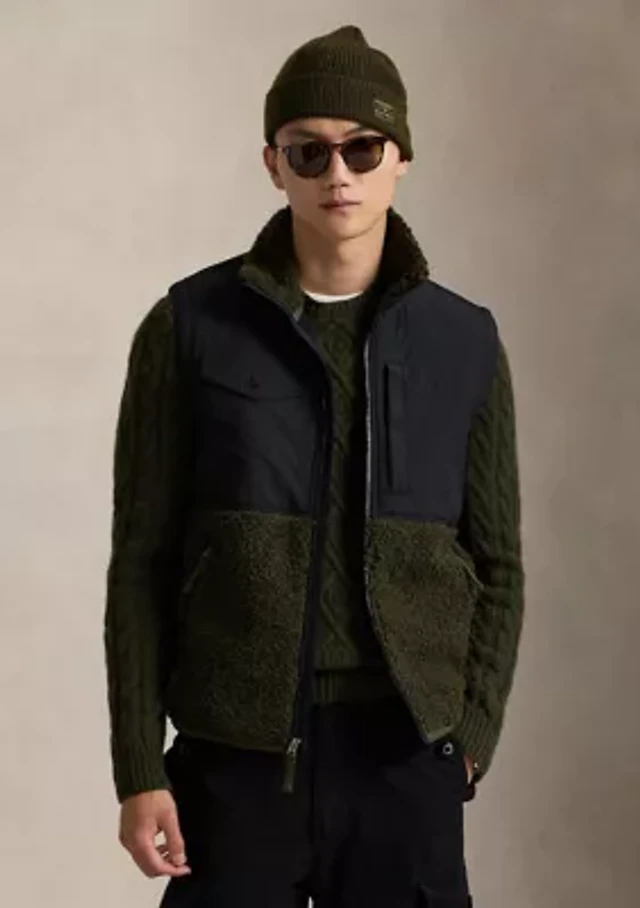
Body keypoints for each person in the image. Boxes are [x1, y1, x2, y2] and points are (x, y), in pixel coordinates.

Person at [104, 24, 525, 908]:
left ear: (400, 158)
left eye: (362, 147)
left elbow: (497, 563)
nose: (339, 173)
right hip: (234, 759)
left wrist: (472, 734)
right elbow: (141, 562)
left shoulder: (464, 341)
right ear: (274, 165)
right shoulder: (189, 328)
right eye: (309, 151)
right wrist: (139, 765)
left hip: (404, 758)